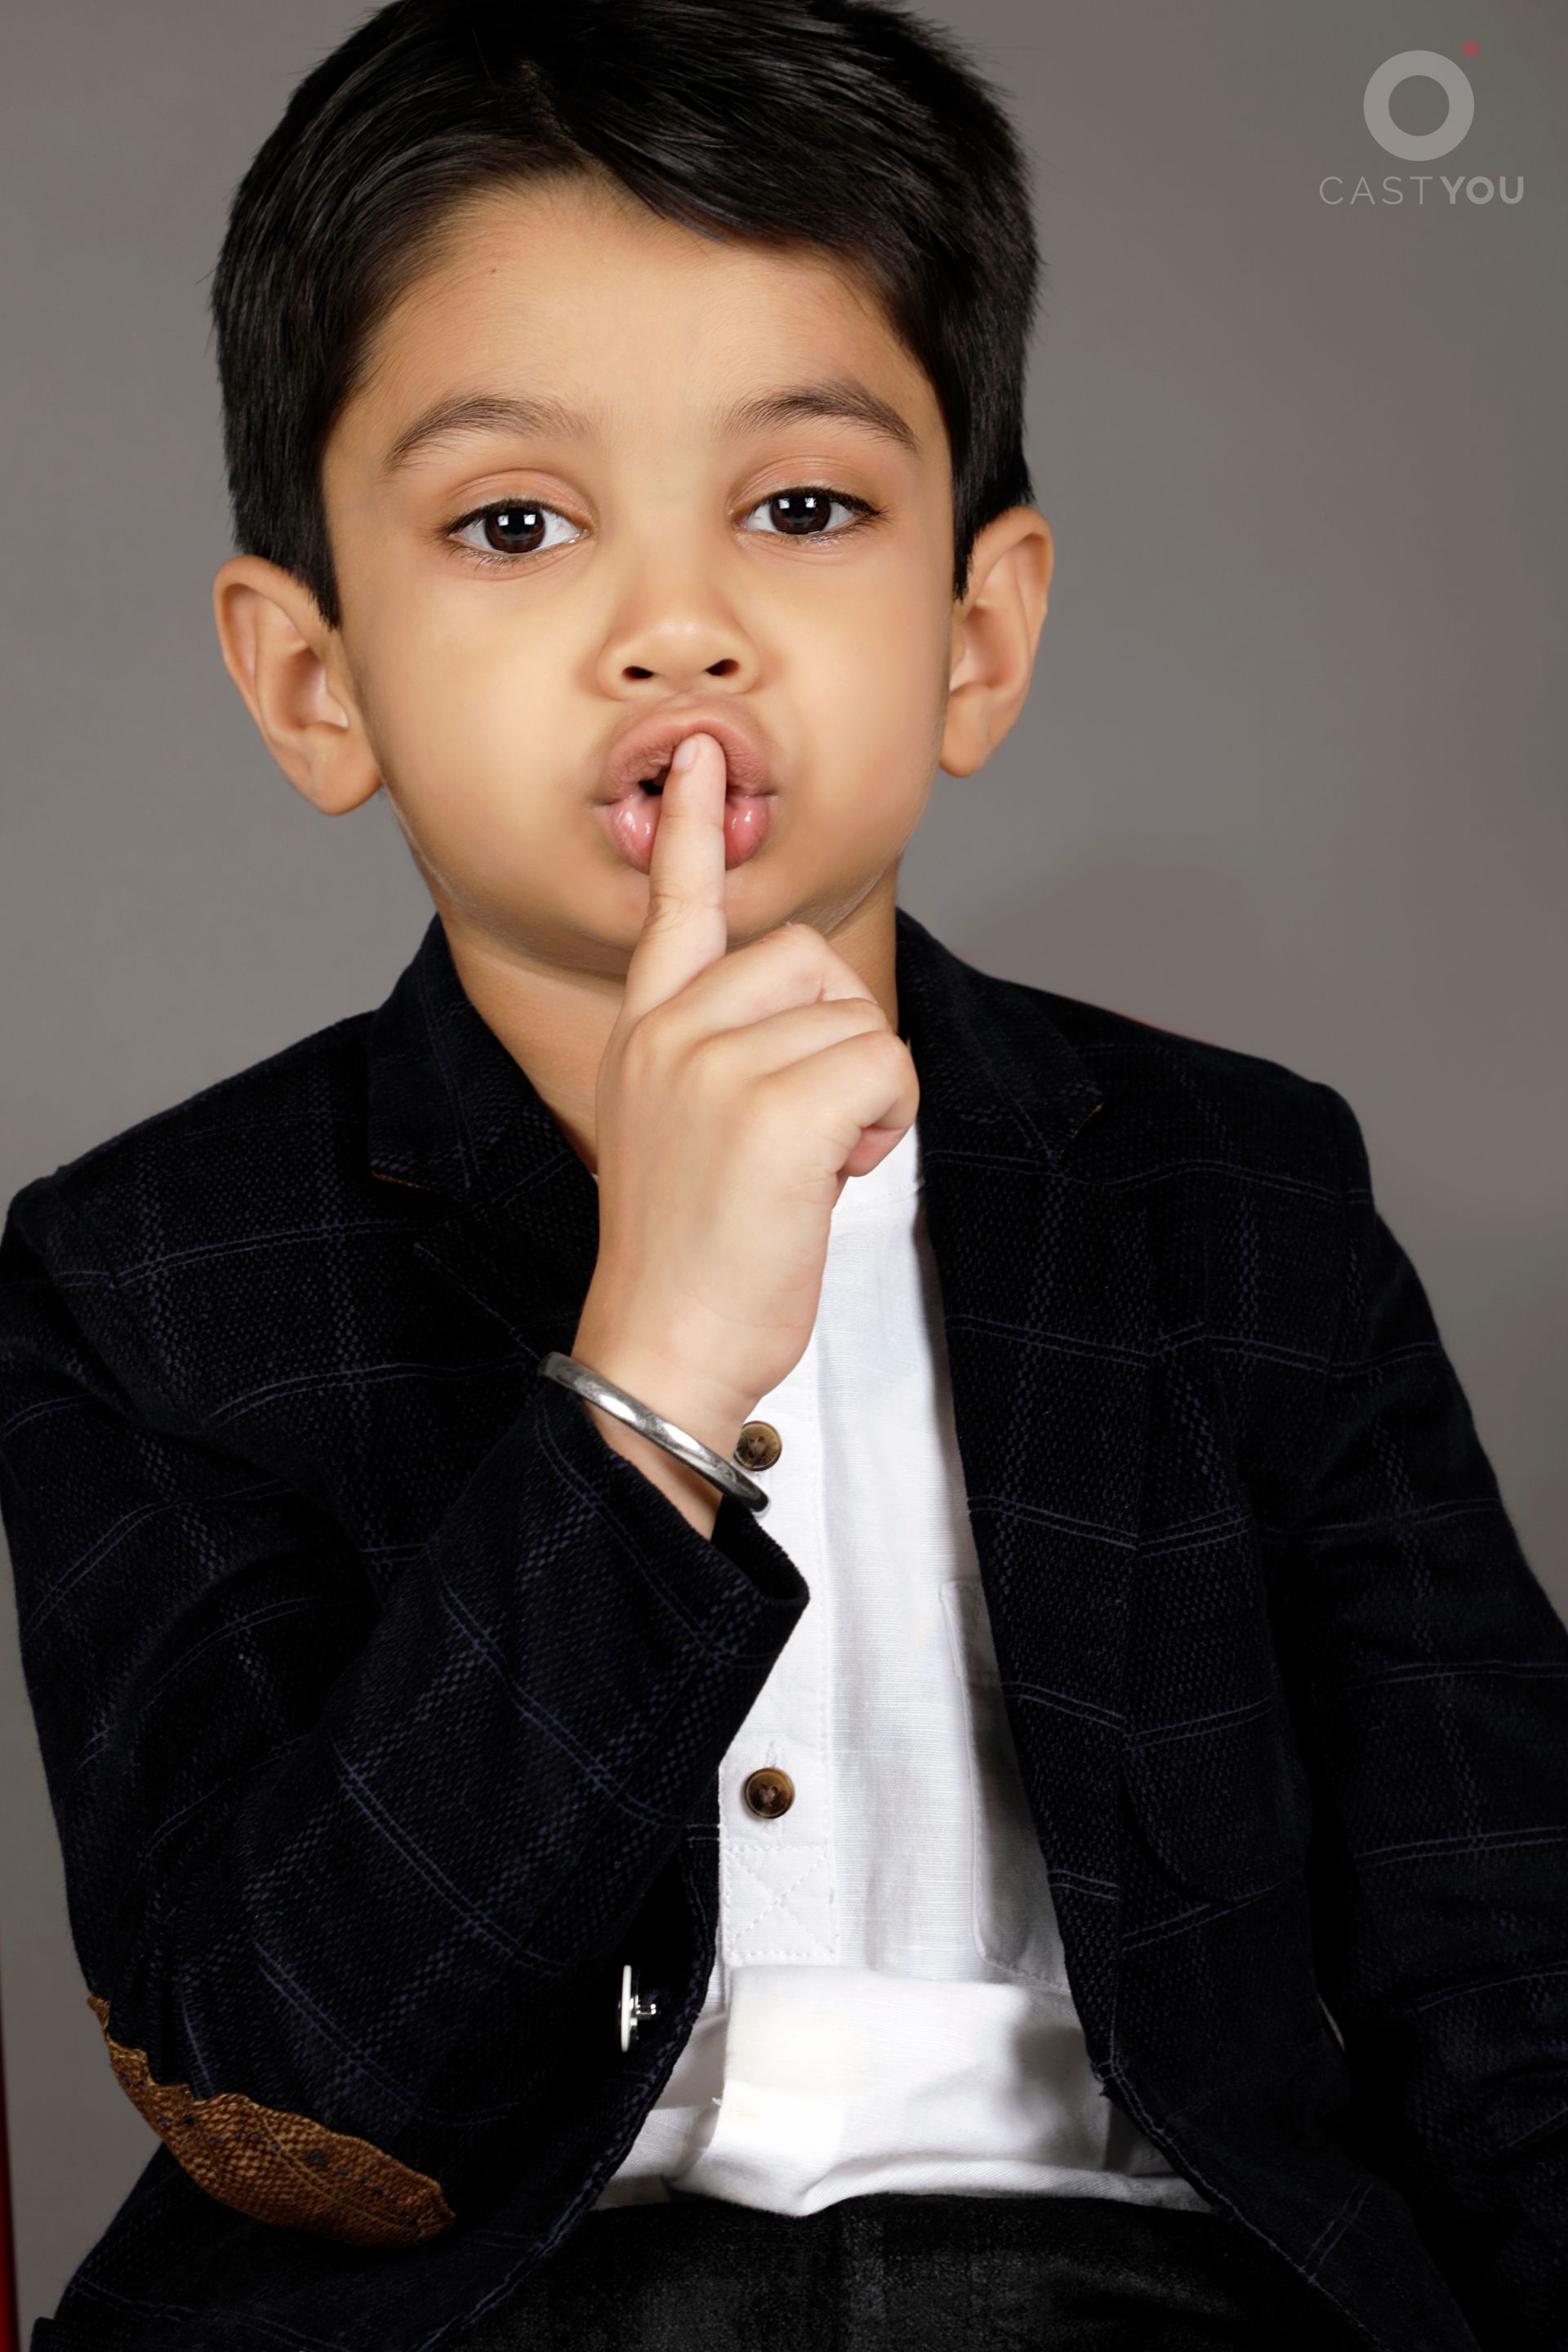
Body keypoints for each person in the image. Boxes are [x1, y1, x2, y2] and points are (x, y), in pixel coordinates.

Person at [1, 2, 1563, 2347]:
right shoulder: (147, 1271)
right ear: (315, 681)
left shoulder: (1242, 1195)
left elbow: (1511, 1988)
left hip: (1148, 2290)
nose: (679, 628)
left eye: (803, 508)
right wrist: (650, 1369)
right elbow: (301, 2094)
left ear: (977, 636)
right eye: (515, 524)